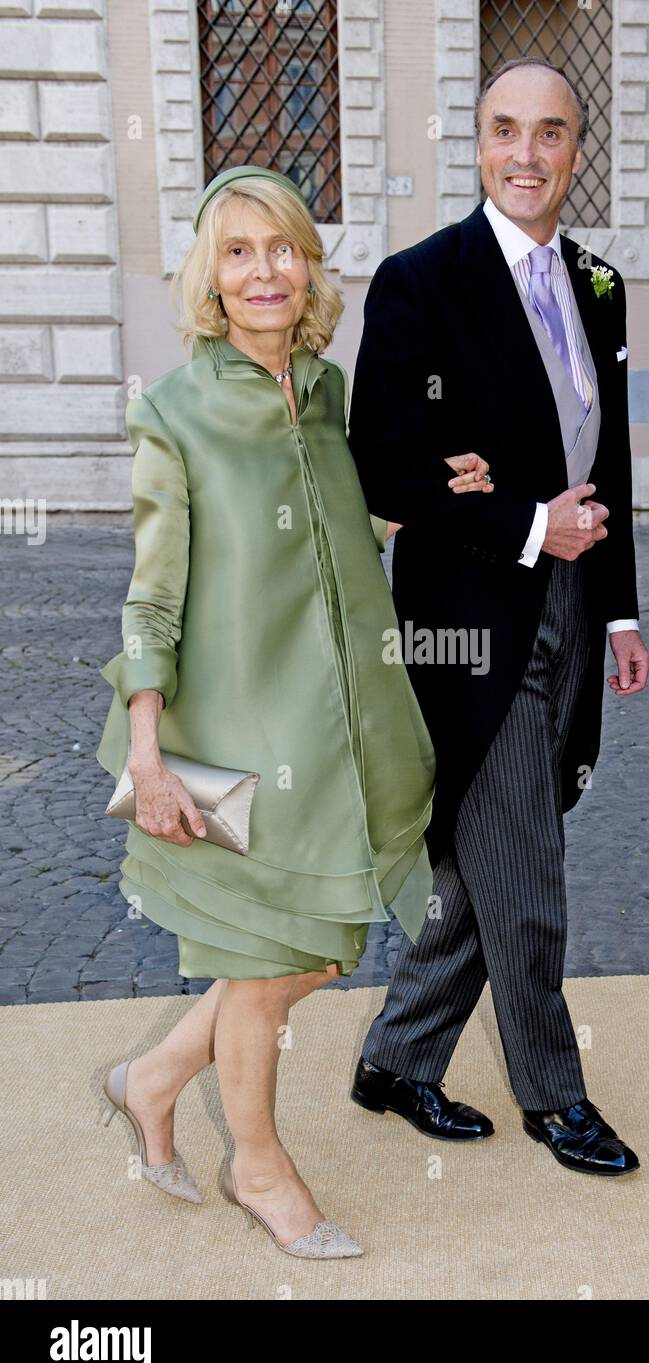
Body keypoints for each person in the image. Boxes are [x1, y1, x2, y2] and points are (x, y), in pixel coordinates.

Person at [95, 165, 493, 1258]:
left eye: (281, 248)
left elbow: (334, 521)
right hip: (234, 736)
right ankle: (261, 1169)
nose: (263, 270)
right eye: (238, 251)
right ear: (210, 279)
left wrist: (428, 495)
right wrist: (149, 751)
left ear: (307, 267)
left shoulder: (322, 390)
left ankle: (152, 1077)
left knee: (315, 953)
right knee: (269, 965)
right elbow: (152, 591)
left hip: (343, 726)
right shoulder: (173, 413)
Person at [348, 60, 649, 1175]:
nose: (527, 153)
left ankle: (395, 1058)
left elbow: (606, 459)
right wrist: (521, 521)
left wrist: (617, 613)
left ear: (578, 149)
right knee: (526, 865)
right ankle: (555, 1098)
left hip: (573, 604)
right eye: (505, 131)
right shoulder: (420, 281)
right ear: (476, 143)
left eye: (552, 133)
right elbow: (381, 460)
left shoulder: (602, 285)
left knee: (491, 854)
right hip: (469, 618)